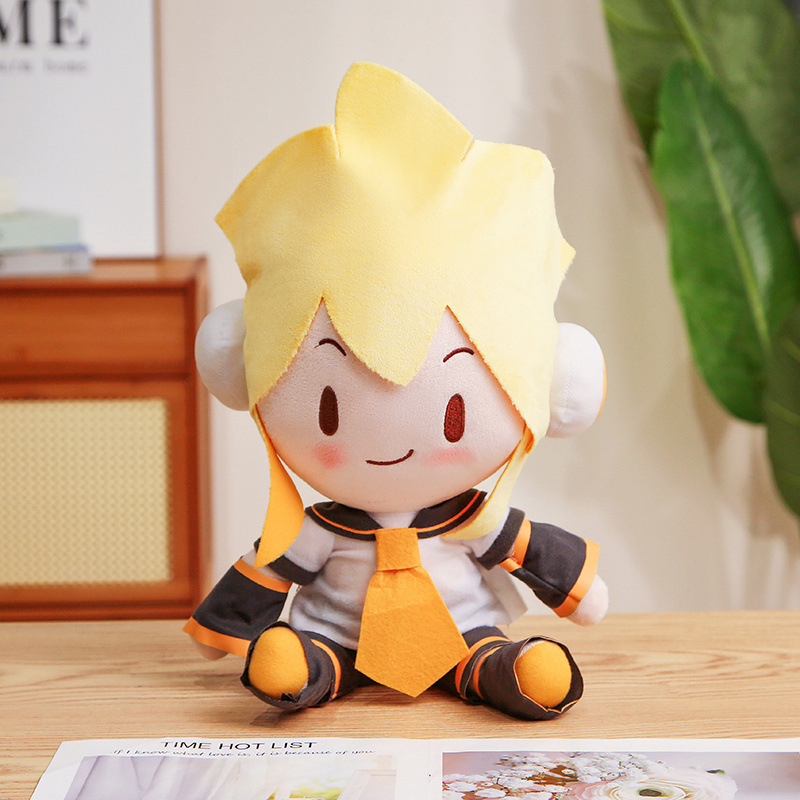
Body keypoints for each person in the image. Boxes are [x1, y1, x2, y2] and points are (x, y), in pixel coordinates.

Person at [184, 62, 608, 720]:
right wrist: (225, 631)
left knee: (486, 655)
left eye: (455, 414)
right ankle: (305, 669)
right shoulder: (317, 532)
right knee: (306, 656)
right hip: (336, 638)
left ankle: (508, 673)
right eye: (327, 411)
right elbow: (269, 568)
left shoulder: (472, 523)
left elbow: (536, 553)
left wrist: (580, 591)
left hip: (463, 637)